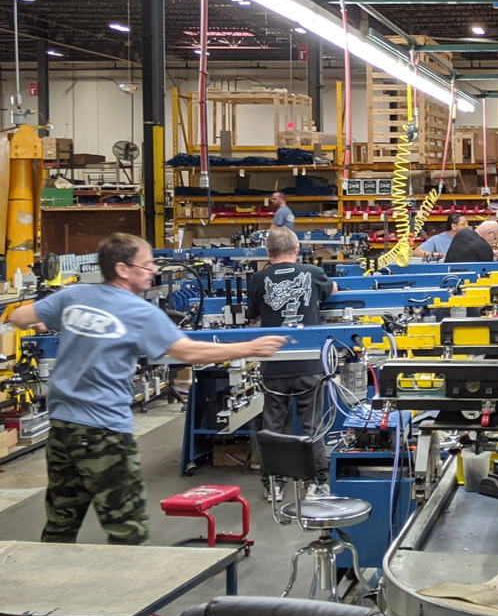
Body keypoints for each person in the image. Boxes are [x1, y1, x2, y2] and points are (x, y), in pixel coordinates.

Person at [9, 233, 286, 545]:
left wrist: (46, 322)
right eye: (147, 264)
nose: (153, 269)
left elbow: (19, 317)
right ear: (123, 269)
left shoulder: (74, 296)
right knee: (127, 530)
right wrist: (249, 347)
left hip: (61, 429)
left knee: (60, 525)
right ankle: (130, 593)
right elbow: (189, 353)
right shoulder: (138, 312)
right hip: (104, 433)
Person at [246, 227, 337, 500]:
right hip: (309, 364)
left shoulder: (258, 279)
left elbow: (252, 317)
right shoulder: (312, 273)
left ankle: (273, 484)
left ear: (267, 252)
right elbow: (332, 289)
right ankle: (315, 483)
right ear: (297, 250)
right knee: (312, 427)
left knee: (273, 427)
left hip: (274, 365)